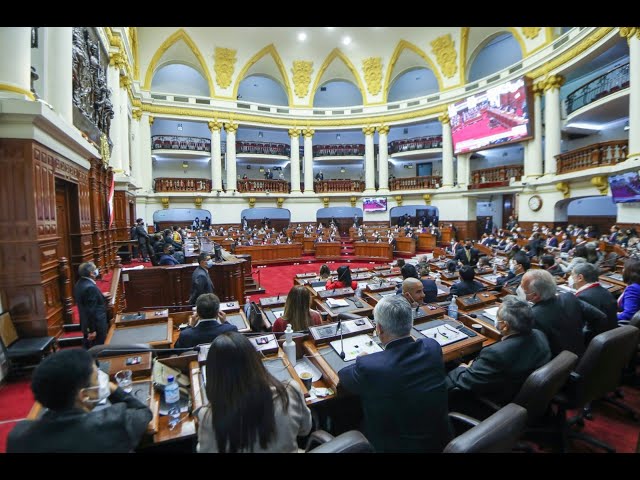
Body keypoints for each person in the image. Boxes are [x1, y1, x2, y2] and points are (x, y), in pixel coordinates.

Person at [338, 296, 452, 452]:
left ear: (379, 328)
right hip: (440, 442)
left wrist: (362, 359)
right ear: (410, 323)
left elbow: (344, 377)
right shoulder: (432, 347)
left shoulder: (370, 366)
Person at [7, 349, 152, 453]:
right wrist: (113, 388)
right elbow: (143, 411)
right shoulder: (114, 423)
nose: (102, 379)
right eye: (97, 377)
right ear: (84, 395)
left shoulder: (17, 437)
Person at [196, 332, 312, 452]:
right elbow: (305, 429)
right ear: (255, 360)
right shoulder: (289, 391)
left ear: (214, 374)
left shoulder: (208, 417)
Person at [446, 295, 551, 406]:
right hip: (523, 392)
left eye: (498, 317)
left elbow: (466, 381)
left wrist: (462, 368)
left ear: (505, 326)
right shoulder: (539, 334)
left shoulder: (497, 353)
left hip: (498, 402)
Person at [520, 269, 606, 357]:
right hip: (582, 354)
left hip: (559, 366)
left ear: (535, 295)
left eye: (524, 290)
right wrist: (584, 338)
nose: (522, 292)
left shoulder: (532, 316)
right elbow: (600, 317)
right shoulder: (569, 297)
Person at [571, 263, 618, 342]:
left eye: (572, 275)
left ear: (580, 278)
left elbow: (577, 327)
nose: (571, 278)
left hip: (594, 342)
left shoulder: (582, 297)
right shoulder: (606, 291)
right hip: (612, 339)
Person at [73, 262, 108, 349]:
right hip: (96, 325)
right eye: (95, 269)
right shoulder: (90, 287)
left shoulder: (79, 283)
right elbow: (90, 310)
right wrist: (92, 330)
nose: (97, 270)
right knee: (97, 349)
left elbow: (86, 302)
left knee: (88, 347)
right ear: (91, 273)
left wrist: (101, 295)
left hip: (86, 323)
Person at [618, 259, 640, 324]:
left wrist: (611, 316)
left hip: (624, 326)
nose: (622, 270)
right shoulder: (636, 285)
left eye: (624, 268)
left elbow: (628, 315)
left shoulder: (633, 289)